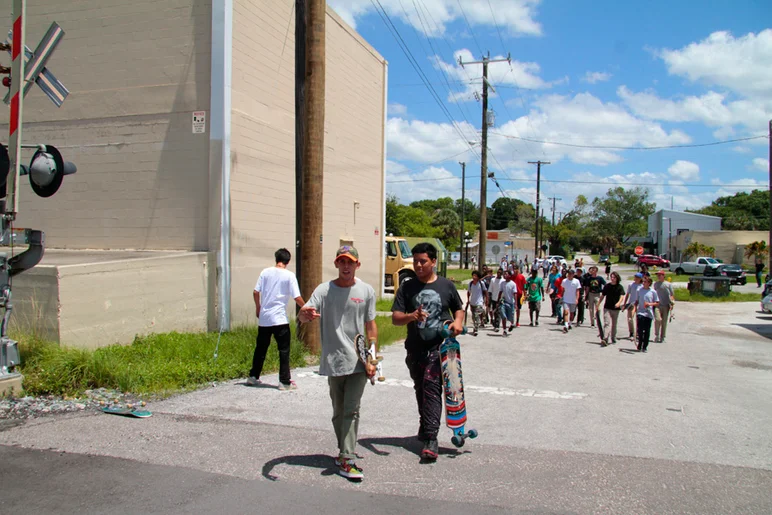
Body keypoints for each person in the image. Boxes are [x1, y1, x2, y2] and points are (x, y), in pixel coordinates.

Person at [298, 246, 377, 480]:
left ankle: (347, 458)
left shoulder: (366, 291)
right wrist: (304, 315)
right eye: (341, 262)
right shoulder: (324, 290)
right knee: (338, 412)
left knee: (351, 410)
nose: (346, 266)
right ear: (336, 264)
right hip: (334, 361)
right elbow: (305, 312)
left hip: (359, 363)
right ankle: (344, 451)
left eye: (350, 262)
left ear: (357, 265)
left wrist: (372, 356)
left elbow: (371, 325)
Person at [392, 243, 464, 461]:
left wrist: (458, 322)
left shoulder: (446, 286)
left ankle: (431, 439)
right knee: (421, 389)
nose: (418, 265)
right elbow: (395, 317)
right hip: (414, 348)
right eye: (415, 261)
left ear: (433, 262)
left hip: (440, 349)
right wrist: (412, 316)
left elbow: (458, 308)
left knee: (432, 387)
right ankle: (425, 426)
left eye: (423, 261)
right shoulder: (407, 287)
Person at [248, 248, 305, 390]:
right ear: (288, 261)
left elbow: (256, 291)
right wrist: (307, 307)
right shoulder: (289, 276)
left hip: (264, 318)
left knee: (261, 348)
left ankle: (253, 376)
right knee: (284, 350)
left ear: (276, 259)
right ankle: (284, 381)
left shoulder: (265, 272)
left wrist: (258, 307)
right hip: (279, 319)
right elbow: (296, 297)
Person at [597, 271, 625, 346]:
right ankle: (605, 338)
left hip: (615, 309)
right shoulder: (607, 286)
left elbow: (622, 296)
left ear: (617, 278)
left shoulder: (620, 287)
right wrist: (598, 303)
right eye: (611, 277)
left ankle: (613, 337)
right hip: (607, 307)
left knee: (614, 324)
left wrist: (619, 303)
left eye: (614, 277)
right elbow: (603, 295)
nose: (612, 279)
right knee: (607, 323)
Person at [635, 276, 659, 353]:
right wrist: (634, 308)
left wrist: (649, 304)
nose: (644, 283)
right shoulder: (639, 290)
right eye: (643, 282)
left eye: (645, 282)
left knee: (647, 331)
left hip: (648, 313)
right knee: (640, 329)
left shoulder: (653, 292)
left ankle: (645, 346)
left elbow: (657, 303)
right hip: (640, 312)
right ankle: (640, 344)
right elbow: (637, 301)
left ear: (649, 283)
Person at [652, 270, 675, 343]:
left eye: (660, 275)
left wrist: (672, 303)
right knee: (658, 319)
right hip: (658, 305)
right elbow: (654, 294)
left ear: (663, 276)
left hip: (666, 305)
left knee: (664, 322)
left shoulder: (668, 284)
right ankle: (657, 335)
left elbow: (672, 295)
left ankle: (662, 337)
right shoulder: (656, 284)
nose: (658, 276)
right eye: (657, 275)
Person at [467, 270, 487, 336]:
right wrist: (468, 300)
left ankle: (475, 329)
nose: (474, 277)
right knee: (474, 317)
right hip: (472, 302)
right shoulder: (470, 284)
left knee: (476, 315)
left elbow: (485, 292)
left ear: (478, 277)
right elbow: (468, 292)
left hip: (479, 302)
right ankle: (477, 323)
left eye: (475, 276)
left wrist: (487, 299)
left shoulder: (481, 283)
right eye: (473, 275)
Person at [624, 273, 644, 341]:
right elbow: (627, 294)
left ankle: (638, 333)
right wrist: (624, 303)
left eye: (637, 277)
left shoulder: (642, 286)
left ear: (640, 279)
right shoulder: (631, 285)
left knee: (639, 319)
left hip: (639, 304)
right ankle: (631, 332)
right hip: (631, 303)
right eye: (635, 277)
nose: (636, 278)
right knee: (630, 318)